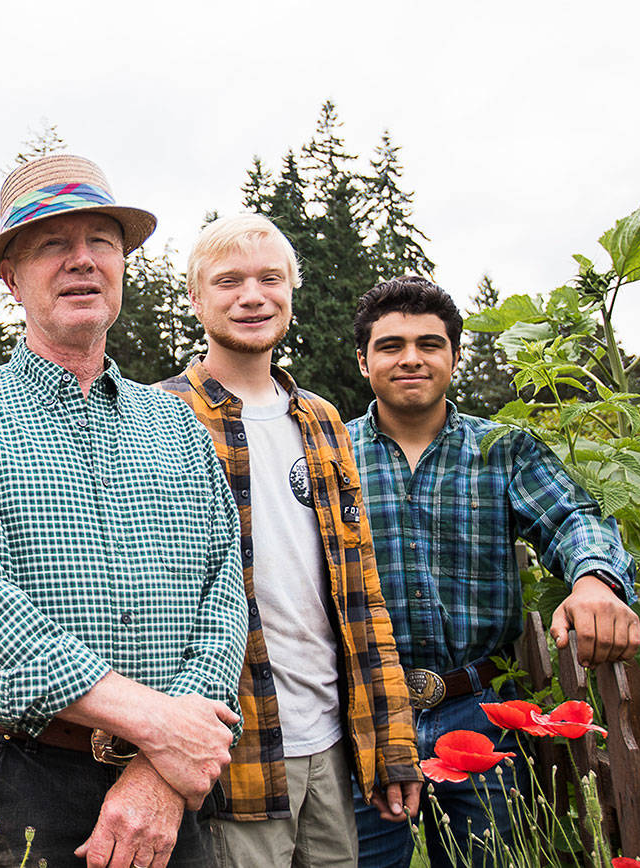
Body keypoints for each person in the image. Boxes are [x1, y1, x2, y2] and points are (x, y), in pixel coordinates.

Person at [0, 154, 248, 868]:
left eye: (101, 242)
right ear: (12, 278)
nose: (82, 260)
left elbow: (224, 595)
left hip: (166, 787)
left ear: (123, 266)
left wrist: (159, 765)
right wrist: (153, 720)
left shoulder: (178, 425)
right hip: (14, 779)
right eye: (53, 244)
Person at [346, 275, 640, 868]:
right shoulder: (326, 453)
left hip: (479, 706)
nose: (411, 358)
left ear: (455, 356)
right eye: (391, 344)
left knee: (491, 858)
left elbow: (572, 517)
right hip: (362, 710)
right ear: (363, 360)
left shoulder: (503, 449)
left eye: (430, 344)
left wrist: (593, 581)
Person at [158, 215, 420, 867]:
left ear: (291, 292)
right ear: (195, 298)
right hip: (235, 753)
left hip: (333, 745)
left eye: (270, 278)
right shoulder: (157, 416)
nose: (252, 295)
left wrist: (392, 744)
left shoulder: (325, 422)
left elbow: (364, 595)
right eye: (229, 281)